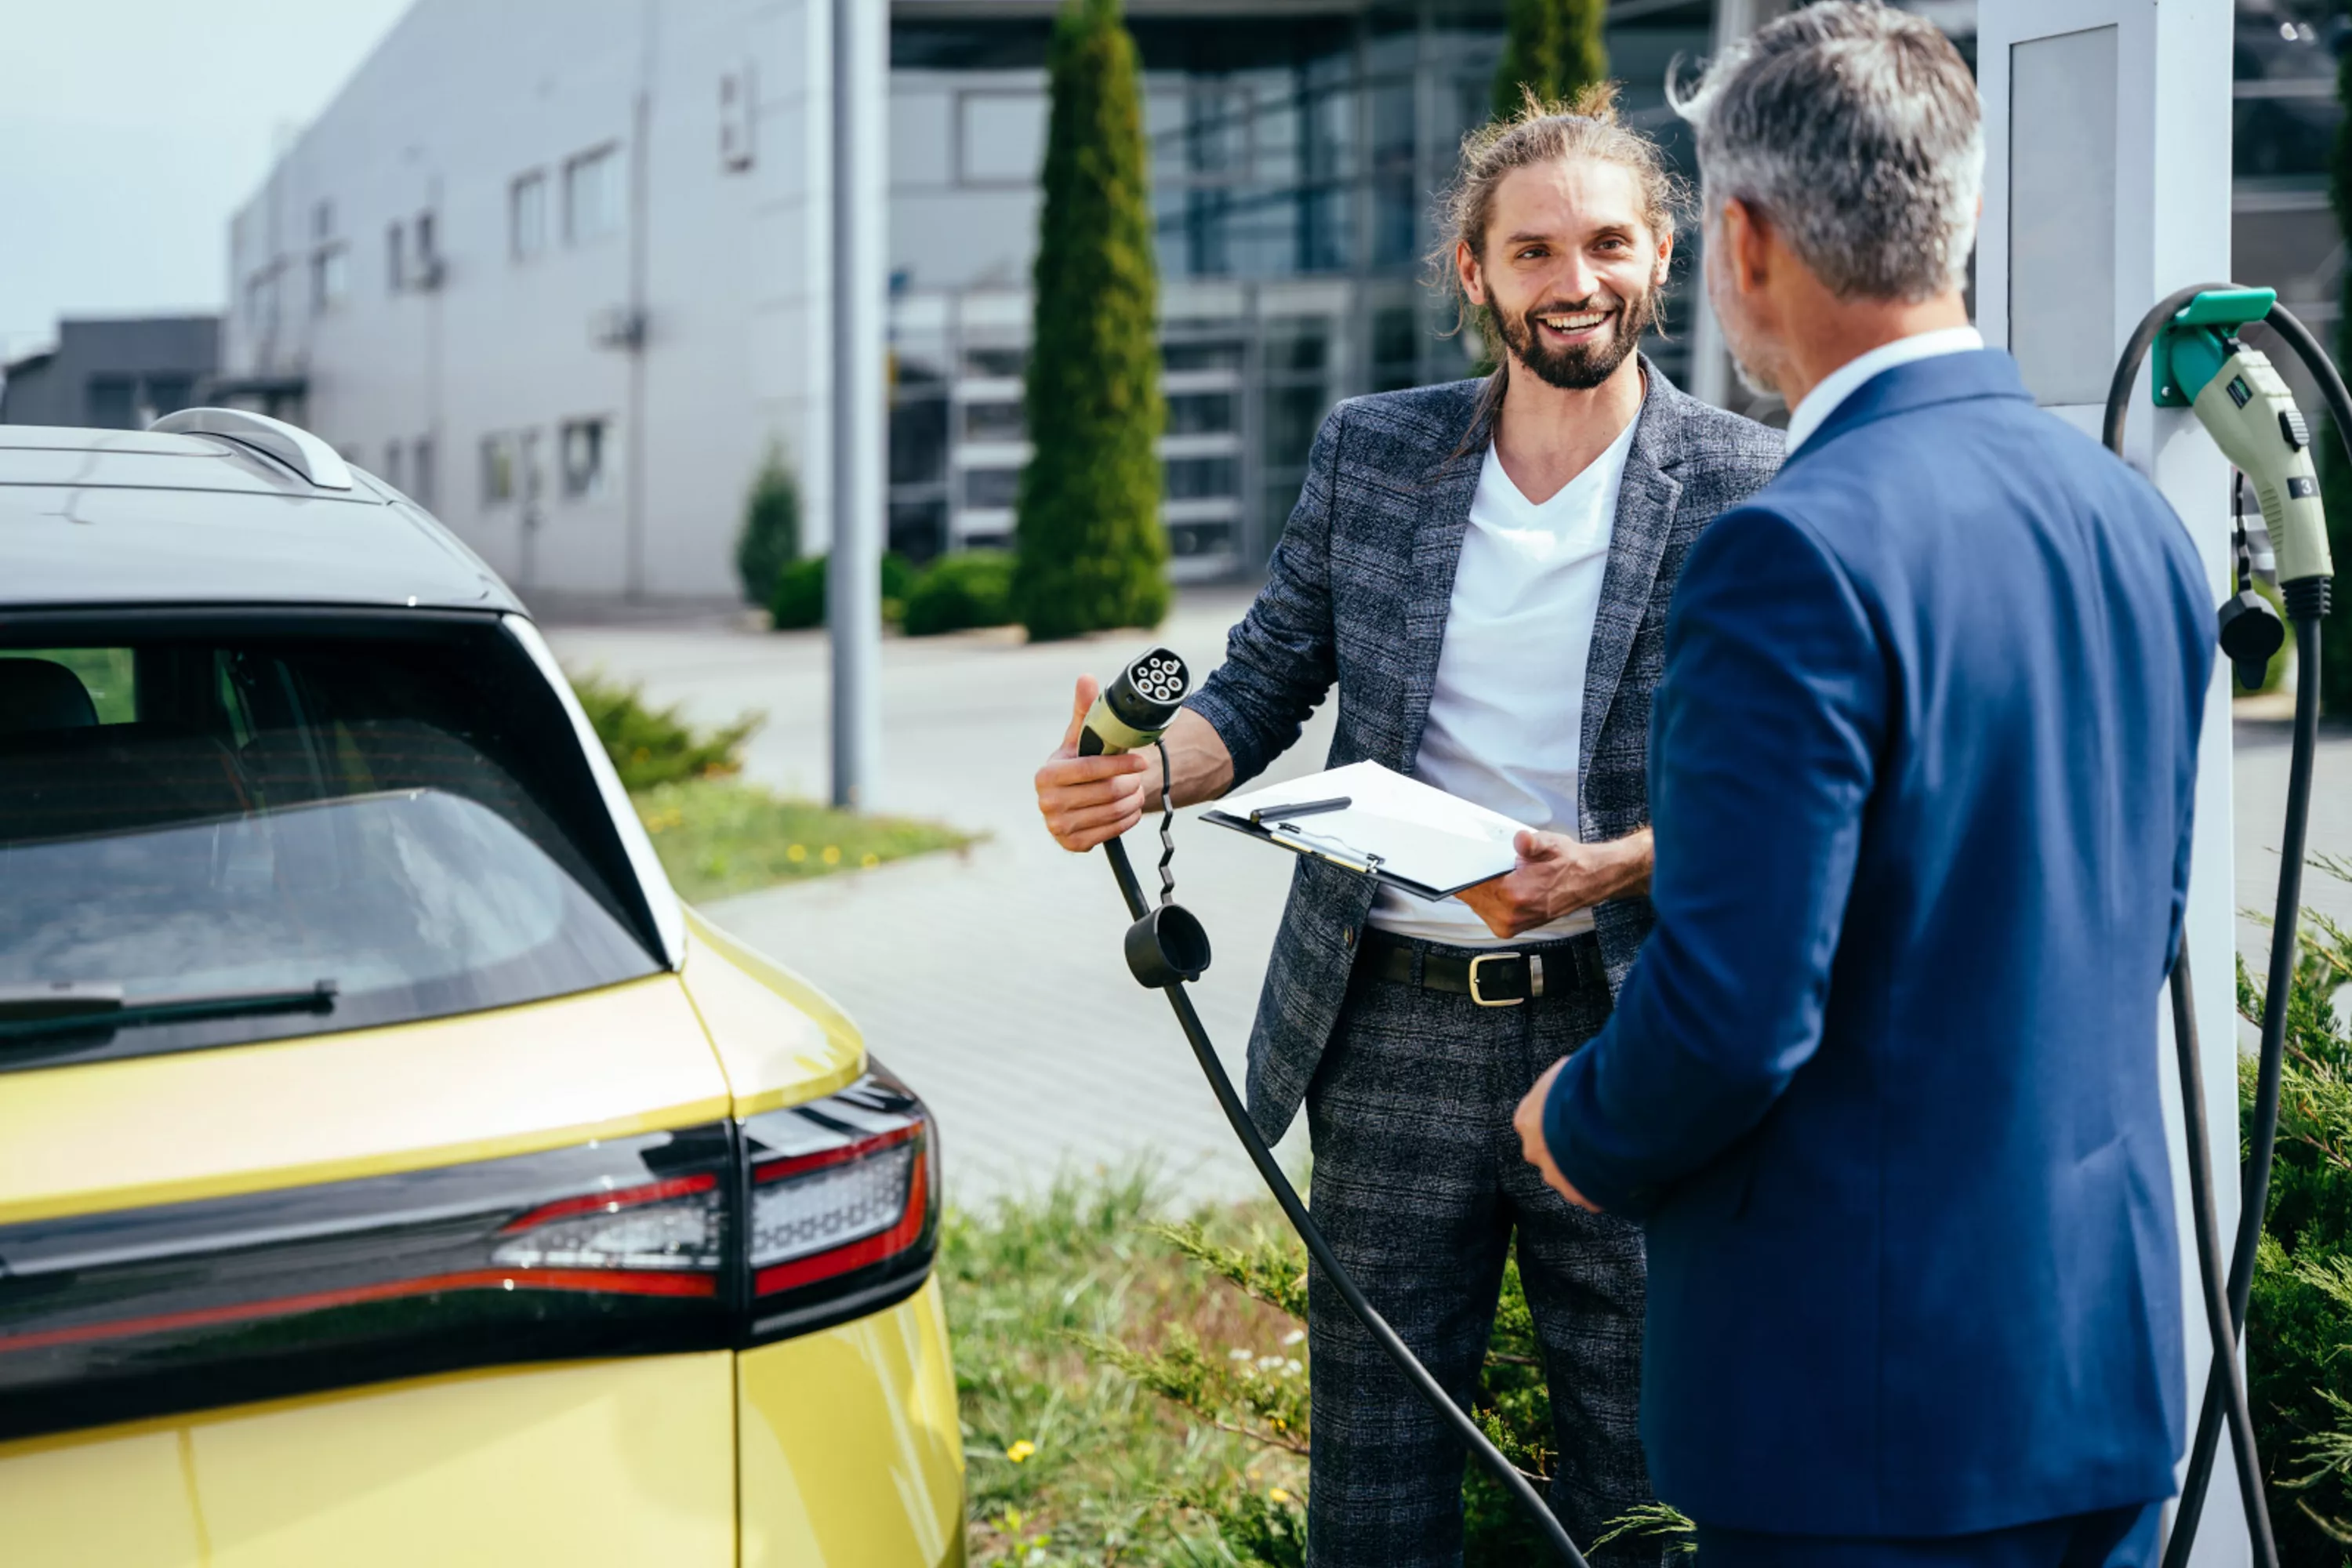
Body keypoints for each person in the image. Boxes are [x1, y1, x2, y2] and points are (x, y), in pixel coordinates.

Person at [1035, 86, 1780, 1566]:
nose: (1576, 281)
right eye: (1535, 251)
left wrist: (1631, 865)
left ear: (1665, 253)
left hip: (1627, 1023)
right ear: (1473, 271)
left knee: (1646, 1477)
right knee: (1373, 1478)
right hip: (1390, 1028)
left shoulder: (1752, 488)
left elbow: (1787, 785)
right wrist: (1139, 776)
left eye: (1610, 244)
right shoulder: (1374, 456)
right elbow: (1257, 689)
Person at [1512, 7, 2213, 1566]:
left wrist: (1585, 1118)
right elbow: (2135, 924)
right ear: (1956, 215)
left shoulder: (1790, 550)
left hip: (1863, 1418)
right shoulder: (2128, 516)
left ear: (1744, 242)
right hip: (2091, 1378)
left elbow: (1737, 1006)